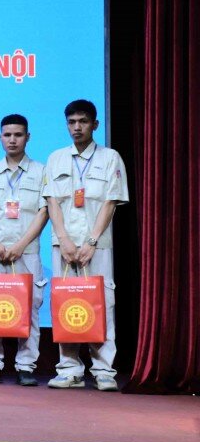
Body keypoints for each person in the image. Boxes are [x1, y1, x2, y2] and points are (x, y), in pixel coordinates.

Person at [42, 99, 129, 392]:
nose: (76, 127)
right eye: (71, 122)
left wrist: (91, 241)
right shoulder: (55, 159)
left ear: (95, 124)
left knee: (102, 303)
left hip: (97, 245)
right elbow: (52, 201)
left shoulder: (110, 158)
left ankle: (104, 369)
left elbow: (111, 201)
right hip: (63, 245)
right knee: (66, 304)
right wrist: (64, 239)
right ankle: (69, 369)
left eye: (82, 121)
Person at [0, 114, 48, 387]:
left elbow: (44, 211)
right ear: (0, 137)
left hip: (25, 251)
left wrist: (20, 245)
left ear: (28, 137)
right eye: (7, 135)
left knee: (30, 306)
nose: (12, 140)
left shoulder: (41, 171)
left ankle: (26, 365)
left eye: (18, 135)